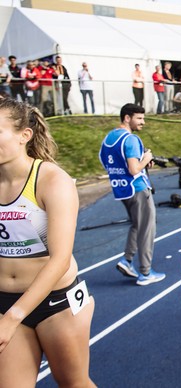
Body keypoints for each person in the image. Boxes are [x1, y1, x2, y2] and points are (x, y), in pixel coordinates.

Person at [0, 98, 96, 386]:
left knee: (73, 383)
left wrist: (14, 317)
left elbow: (60, 259)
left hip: (56, 302)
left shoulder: (53, 181)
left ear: (24, 136)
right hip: (5, 301)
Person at [99, 103, 166, 286]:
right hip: (137, 189)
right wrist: (145, 159)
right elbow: (134, 168)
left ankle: (126, 260)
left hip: (121, 189)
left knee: (137, 224)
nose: (143, 122)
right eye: (139, 118)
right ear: (127, 118)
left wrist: (140, 162)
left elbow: (108, 163)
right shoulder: (131, 139)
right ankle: (145, 272)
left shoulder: (108, 139)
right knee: (147, 229)